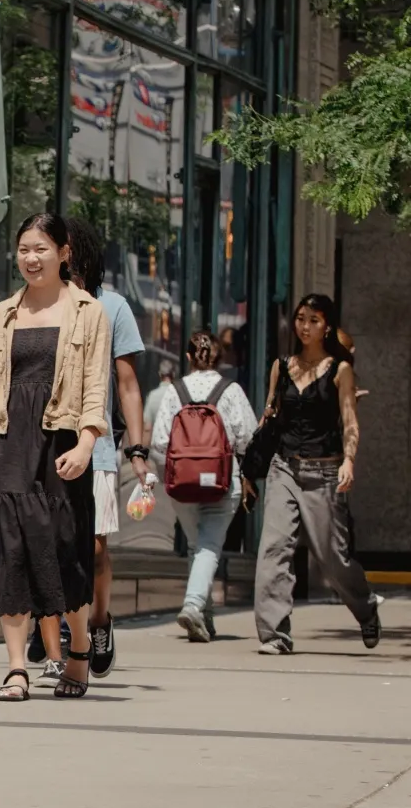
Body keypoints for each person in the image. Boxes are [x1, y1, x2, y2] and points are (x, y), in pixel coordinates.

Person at [0, 213, 110, 702]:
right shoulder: (2, 313)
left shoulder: (89, 312)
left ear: (64, 252)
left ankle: (79, 649)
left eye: (41, 248)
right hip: (8, 440)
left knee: (62, 548)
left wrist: (87, 443)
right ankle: (16, 667)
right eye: (24, 248)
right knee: (10, 549)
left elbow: (95, 388)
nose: (30, 257)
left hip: (60, 441)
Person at [252, 294, 382, 654]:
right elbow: (269, 416)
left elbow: (350, 422)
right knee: (273, 551)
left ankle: (365, 607)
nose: (305, 326)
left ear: (327, 326)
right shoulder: (282, 365)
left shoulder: (339, 370)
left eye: (314, 320)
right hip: (284, 469)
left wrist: (349, 461)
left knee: (332, 560)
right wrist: (252, 463)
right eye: (301, 318)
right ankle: (275, 634)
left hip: (325, 471)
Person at [62, 219, 150, 675]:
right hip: (45, 445)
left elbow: (129, 386)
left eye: (69, 248)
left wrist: (137, 450)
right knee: (53, 543)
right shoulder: (40, 305)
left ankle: (98, 620)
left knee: (93, 549)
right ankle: (60, 629)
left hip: (95, 447)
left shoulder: (113, 306)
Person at [149, 329, 255, 641]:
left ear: (187, 358)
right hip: (223, 482)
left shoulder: (174, 392)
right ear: (220, 359)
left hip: (182, 486)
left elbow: (158, 444)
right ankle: (194, 606)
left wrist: (172, 473)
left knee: (199, 546)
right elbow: (248, 436)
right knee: (209, 546)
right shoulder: (231, 390)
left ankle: (204, 619)